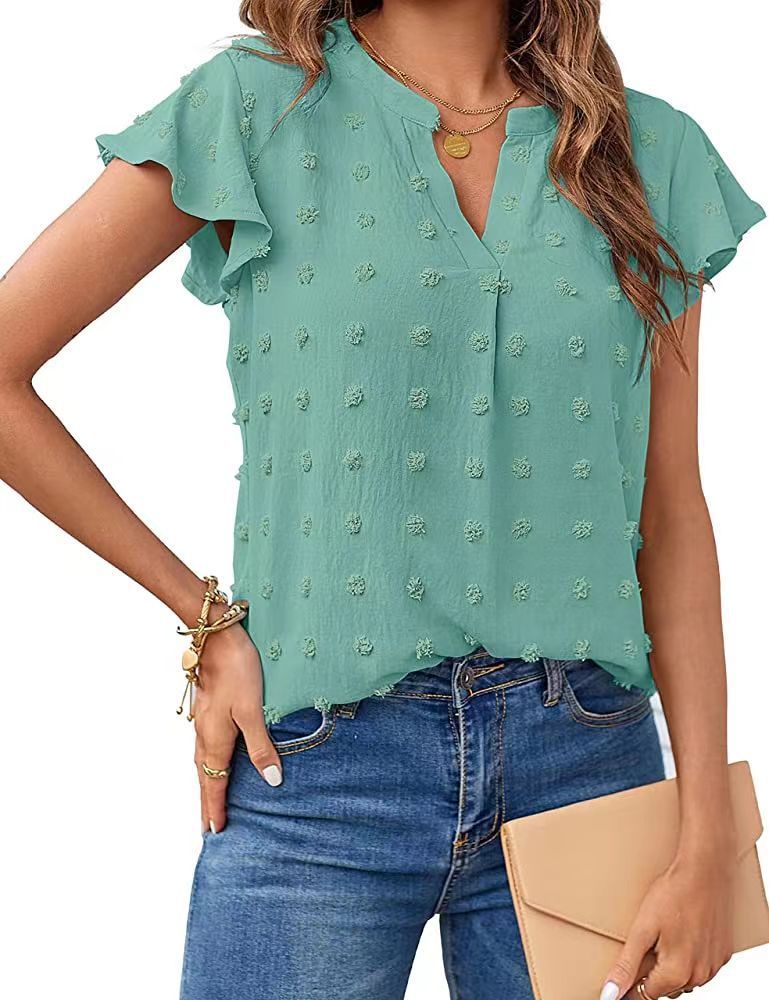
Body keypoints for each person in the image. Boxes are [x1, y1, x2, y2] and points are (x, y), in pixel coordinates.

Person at [0, 2, 764, 998]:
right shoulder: (251, 109)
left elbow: (669, 512)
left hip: (585, 769)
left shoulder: (645, 151)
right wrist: (203, 615)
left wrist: (705, 833)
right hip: (316, 769)